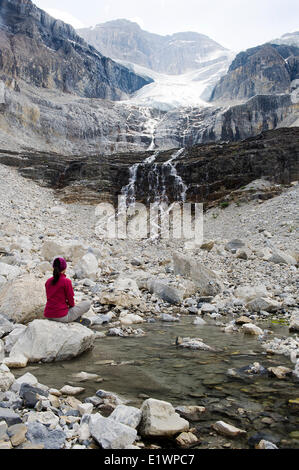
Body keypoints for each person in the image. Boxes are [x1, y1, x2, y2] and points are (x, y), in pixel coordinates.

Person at [44, 257, 91, 326]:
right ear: (65, 268)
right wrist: (71, 306)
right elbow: (71, 302)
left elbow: (52, 298)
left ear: (53, 268)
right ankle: (76, 318)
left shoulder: (48, 281)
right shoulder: (66, 281)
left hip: (48, 315)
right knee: (87, 303)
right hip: (61, 317)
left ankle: (76, 318)